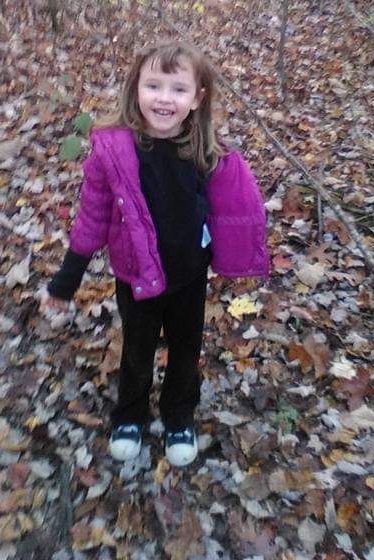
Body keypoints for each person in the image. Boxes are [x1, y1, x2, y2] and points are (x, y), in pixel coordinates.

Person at [38, 39, 268, 467]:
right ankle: (130, 415)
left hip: (188, 276)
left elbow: (229, 210)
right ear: (135, 89)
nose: (164, 98)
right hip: (135, 274)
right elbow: (91, 217)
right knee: (138, 349)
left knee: (186, 348)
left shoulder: (204, 152)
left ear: (197, 98)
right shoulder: (114, 152)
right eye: (154, 86)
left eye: (178, 89)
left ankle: (179, 416)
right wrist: (66, 280)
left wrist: (238, 256)